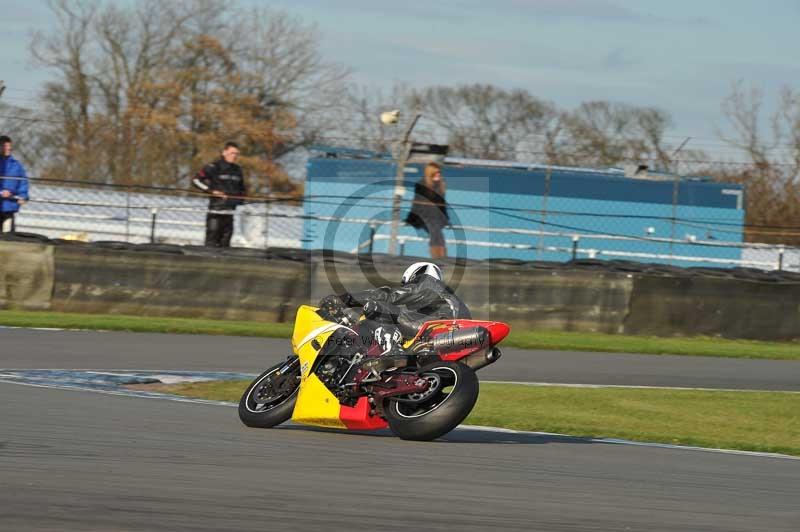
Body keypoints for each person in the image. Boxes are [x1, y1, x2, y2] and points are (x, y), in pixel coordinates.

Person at [318, 262, 471, 352]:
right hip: (456, 332)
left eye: (408, 283)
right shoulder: (443, 297)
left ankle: (392, 350)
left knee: (377, 307)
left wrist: (346, 299)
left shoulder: (427, 282)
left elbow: (389, 295)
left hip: (439, 326)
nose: (408, 286)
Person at [192, 142, 247, 247]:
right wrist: (211, 191)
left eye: (236, 154)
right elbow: (196, 180)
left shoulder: (237, 170)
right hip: (215, 211)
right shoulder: (213, 167)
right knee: (211, 241)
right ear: (224, 152)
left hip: (230, 212)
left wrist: (240, 199)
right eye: (232, 153)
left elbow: (242, 189)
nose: (234, 156)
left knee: (226, 243)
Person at [405, 162, 449, 259]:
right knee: (435, 232)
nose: (439, 175)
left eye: (439, 172)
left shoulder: (441, 185)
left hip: (437, 217)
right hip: (424, 216)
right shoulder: (421, 185)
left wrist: (446, 219)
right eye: (436, 173)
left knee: (437, 232)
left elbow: (442, 205)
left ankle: (441, 257)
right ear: (430, 173)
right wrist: (410, 218)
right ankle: (439, 258)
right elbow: (416, 203)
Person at [0, 135, 29, 233]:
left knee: (8, 236)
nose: (8, 148)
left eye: (9, 146)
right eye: (5, 146)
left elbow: (23, 182)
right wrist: (1, 192)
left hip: (9, 207)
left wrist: (23, 195)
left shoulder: (16, 165)